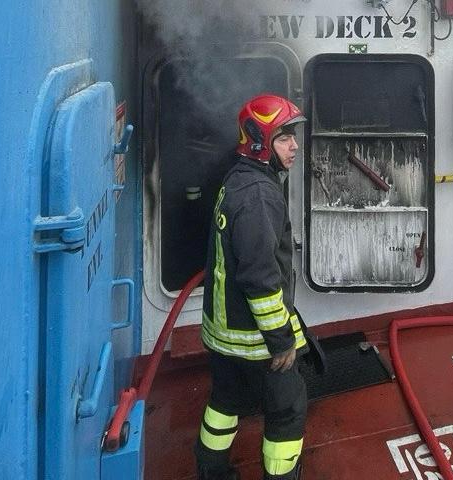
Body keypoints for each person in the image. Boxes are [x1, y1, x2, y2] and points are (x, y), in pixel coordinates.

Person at [195, 94, 309, 480]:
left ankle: (211, 472)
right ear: (260, 142)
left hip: (222, 334)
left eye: (293, 136)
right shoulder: (260, 195)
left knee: (224, 404)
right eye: (283, 137)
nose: (294, 146)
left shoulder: (237, 180)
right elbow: (260, 280)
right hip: (255, 340)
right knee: (287, 411)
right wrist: (281, 341)